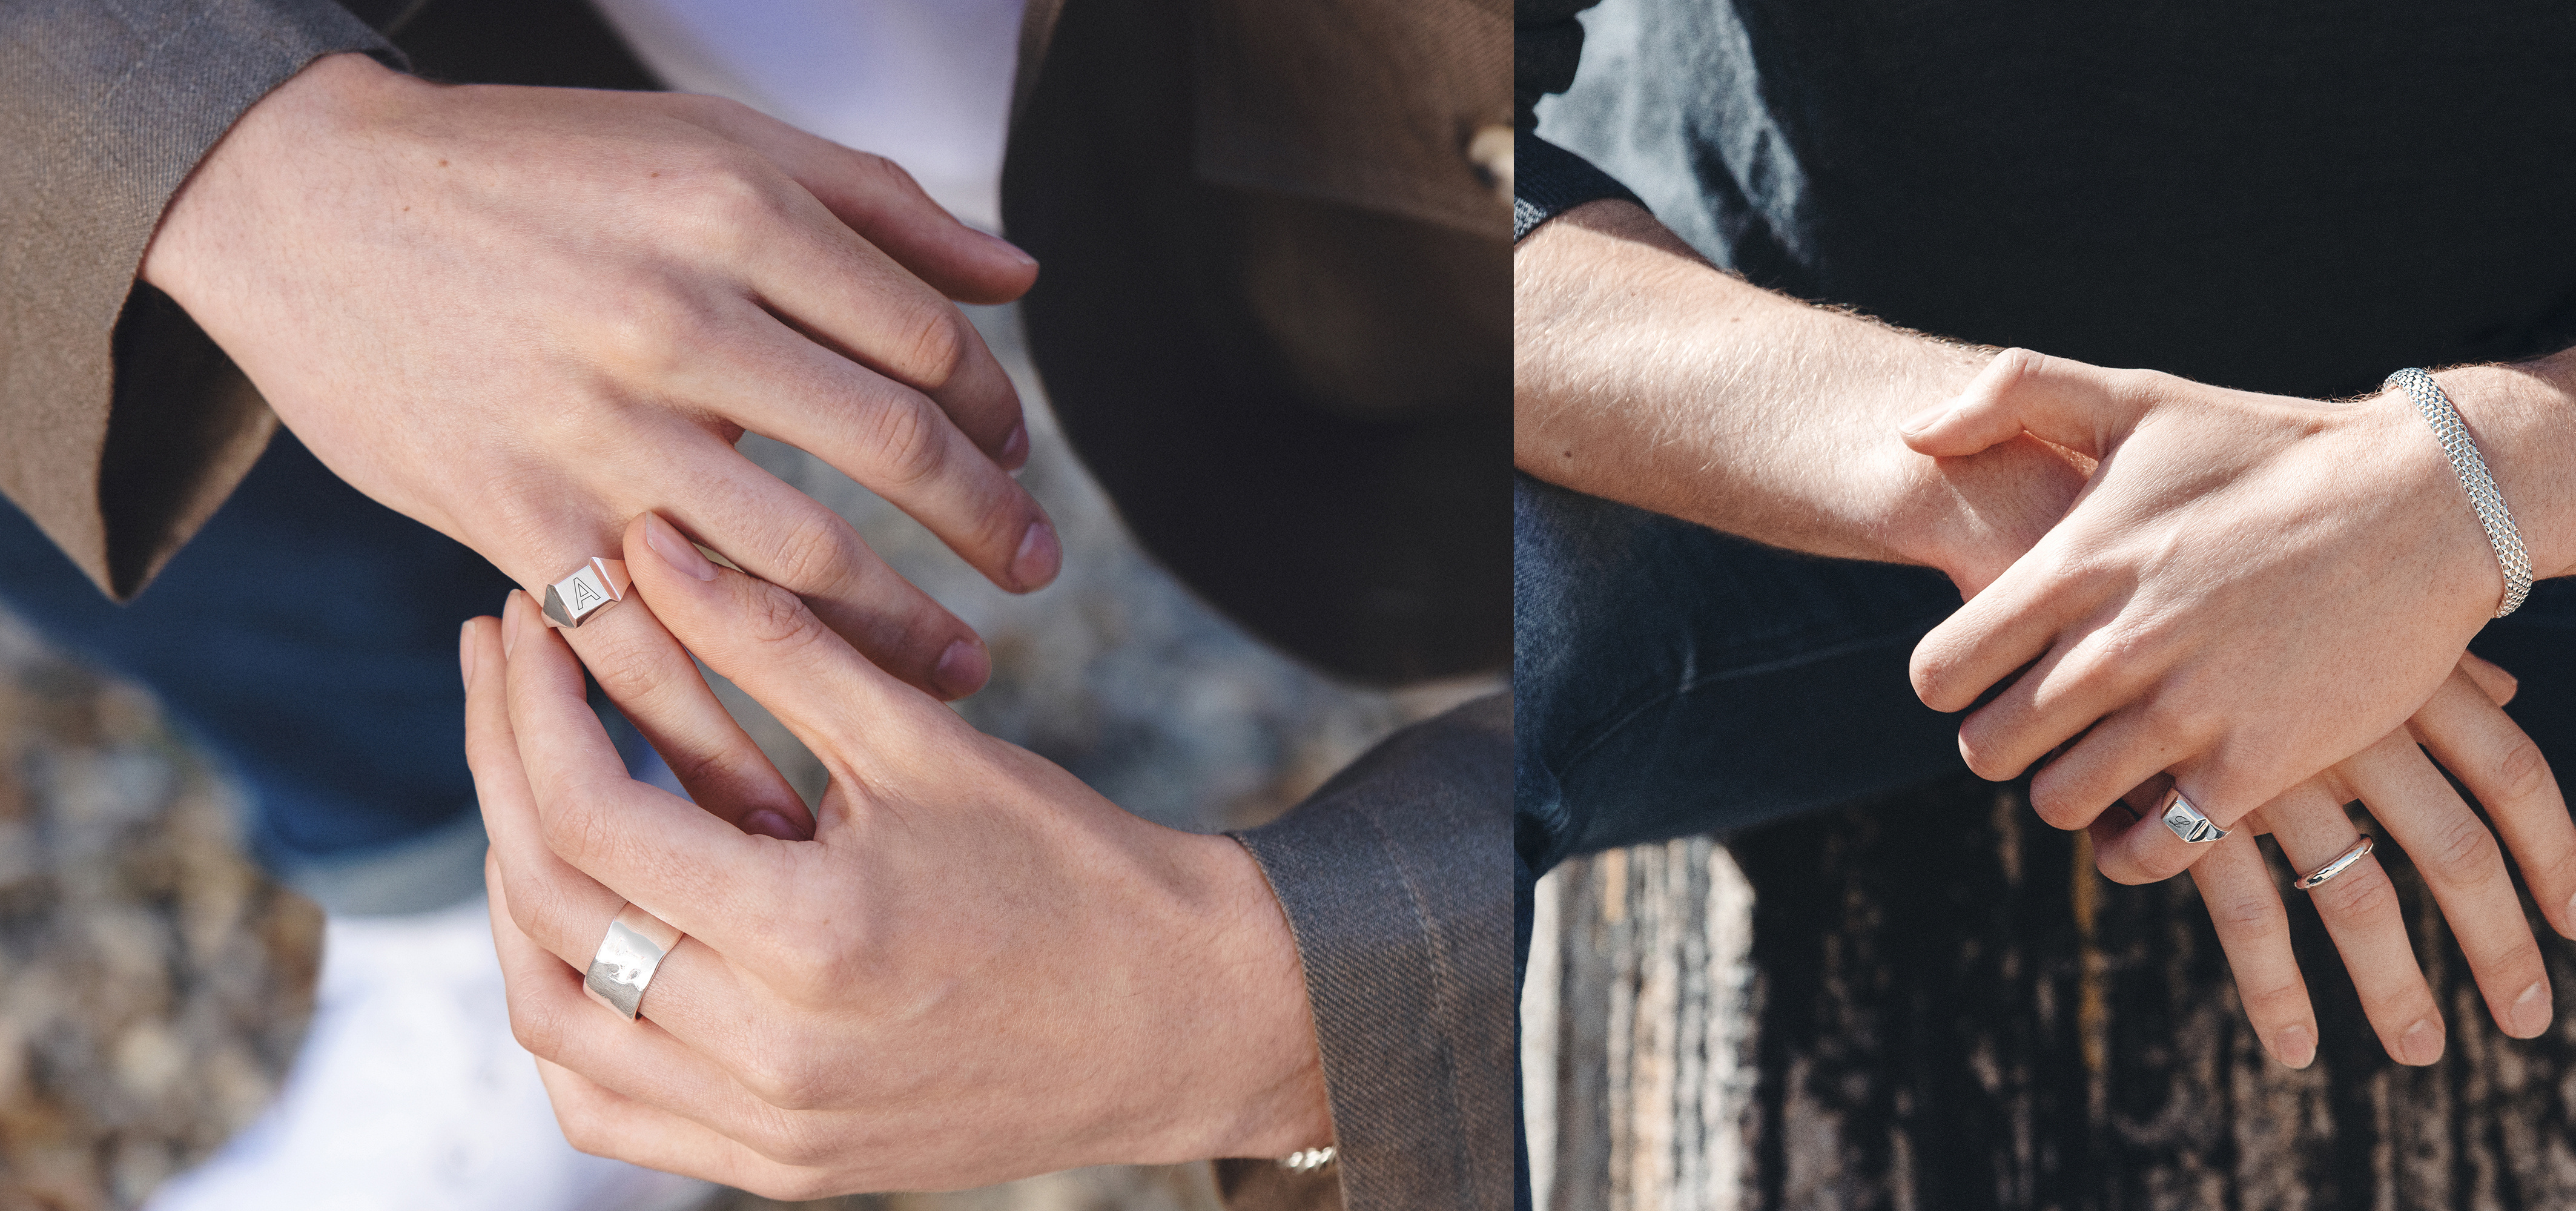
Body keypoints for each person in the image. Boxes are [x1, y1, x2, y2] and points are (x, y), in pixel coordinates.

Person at [3, 0, 1514, 1207]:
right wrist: (225, 153)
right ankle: (448, 871)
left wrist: (1274, 992)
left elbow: (1759, 539)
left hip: (1418, 253)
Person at [1514, 0, 2576, 1200]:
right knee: (1445, 708)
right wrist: (2106, 541)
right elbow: (1394, 166)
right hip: (1796, 421)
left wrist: (2457, 494)